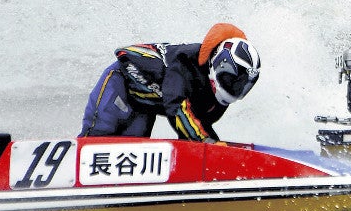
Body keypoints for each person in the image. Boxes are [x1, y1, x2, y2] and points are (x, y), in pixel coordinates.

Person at [80, 23, 261, 142]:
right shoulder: (185, 63)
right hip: (120, 82)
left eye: (243, 85)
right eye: (233, 80)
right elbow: (177, 109)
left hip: (142, 106)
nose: (236, 88)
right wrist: (209, 143)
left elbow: (197, 127)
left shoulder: (216, 97)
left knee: (130, 149)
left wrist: (216, 148)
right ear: (219, 64)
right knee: (98, 139)